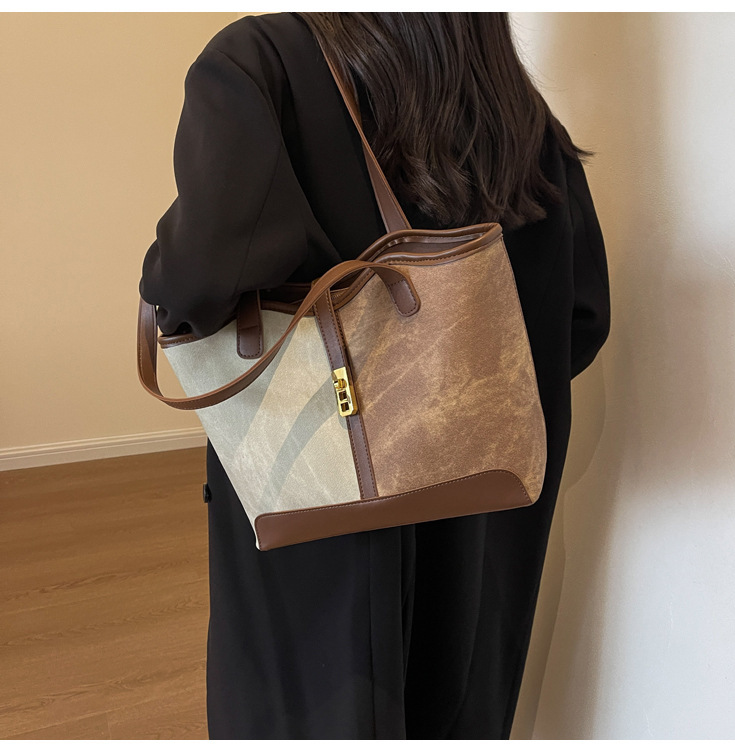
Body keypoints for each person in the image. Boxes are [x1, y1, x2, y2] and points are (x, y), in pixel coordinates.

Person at [139, 12, 610, 740]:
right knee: (459, 701)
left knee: (313, 704)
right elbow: (579, 317)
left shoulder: (261, 62)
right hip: (482, 499)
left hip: (311, 483)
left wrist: (158, 278)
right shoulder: (513, 107)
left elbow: (200, 277)